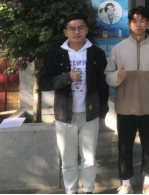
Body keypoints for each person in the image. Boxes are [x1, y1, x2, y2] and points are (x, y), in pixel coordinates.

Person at [39, 13, 109, 195]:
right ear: (65, 32)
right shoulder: (55, 55)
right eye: (72, 29)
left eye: (80, 28)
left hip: (90, 114)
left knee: (89, 158)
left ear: (86, 30)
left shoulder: (96, 53)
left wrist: (103, 110)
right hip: (65, 115)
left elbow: (102, 84)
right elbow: (43, 83)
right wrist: (66, 78)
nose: (76, 32)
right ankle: (71, 191)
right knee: (68, 160)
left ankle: (88, 190)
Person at [105, 6, 149, 195]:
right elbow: (108, 76)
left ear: (148, 23)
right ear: (129, 23)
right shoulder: (118, 49)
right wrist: (118, 76)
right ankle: (126, 184)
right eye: (134, 20)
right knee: (125, 148)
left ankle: (148, 183)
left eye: (142, 20)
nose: (138, 24)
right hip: (125, 107)